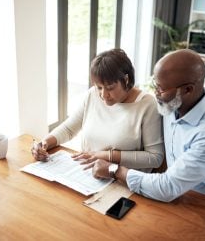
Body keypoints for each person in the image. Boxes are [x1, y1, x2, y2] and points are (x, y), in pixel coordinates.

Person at [91, 49, 205, 202]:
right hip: (176, 196)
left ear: (187, 90)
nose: (155, 93)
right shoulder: (172, 105)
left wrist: (113, 169)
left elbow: (168, 187)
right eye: (155, 85)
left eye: (161, 89)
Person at [32, 48, 164, 172]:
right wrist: (44, 144)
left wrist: (107, 156)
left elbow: (155, 158)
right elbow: (68, 129)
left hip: (124, 182)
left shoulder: (147, 105)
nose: (103, 95)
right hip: (87, 174)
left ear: (126, 79)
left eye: (110, 87)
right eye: (99, 87)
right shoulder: (92, 95)